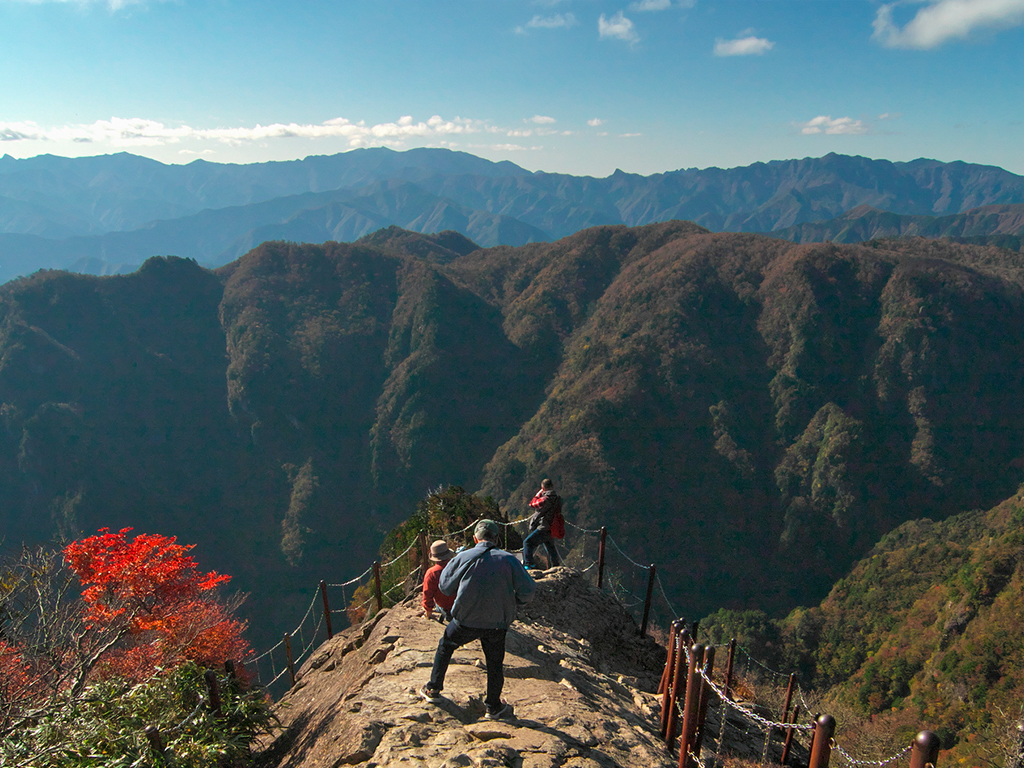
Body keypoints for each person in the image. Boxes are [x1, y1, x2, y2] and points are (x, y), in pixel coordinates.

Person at [419, 519, 536, 720]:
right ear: (497, 539)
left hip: (465, 620)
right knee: (495, 662)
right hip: (497, 623)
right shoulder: (509, 560)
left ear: (475, 538)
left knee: (446, 646)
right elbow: (529, 590)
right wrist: (514, 602)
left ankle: (433, 689)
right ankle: (493, 707)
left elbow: (445, 587)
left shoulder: (463, 557)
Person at [523, 478, 562, 569]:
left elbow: (532, 504)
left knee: (527, 542)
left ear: (543, 488)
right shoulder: (558, 499)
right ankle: (556, 565)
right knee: (549, 545)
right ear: (552, 486)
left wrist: (537, 495)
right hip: (552, 526)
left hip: (543, 526)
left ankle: (529, 564)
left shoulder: (544, 499)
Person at [422, 539, 456, 621]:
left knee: (438, 605)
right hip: (461, 606)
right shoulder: (457, 567)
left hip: (446, 607)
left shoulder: (432, 573)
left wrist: (428, 613)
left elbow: (427, 595)